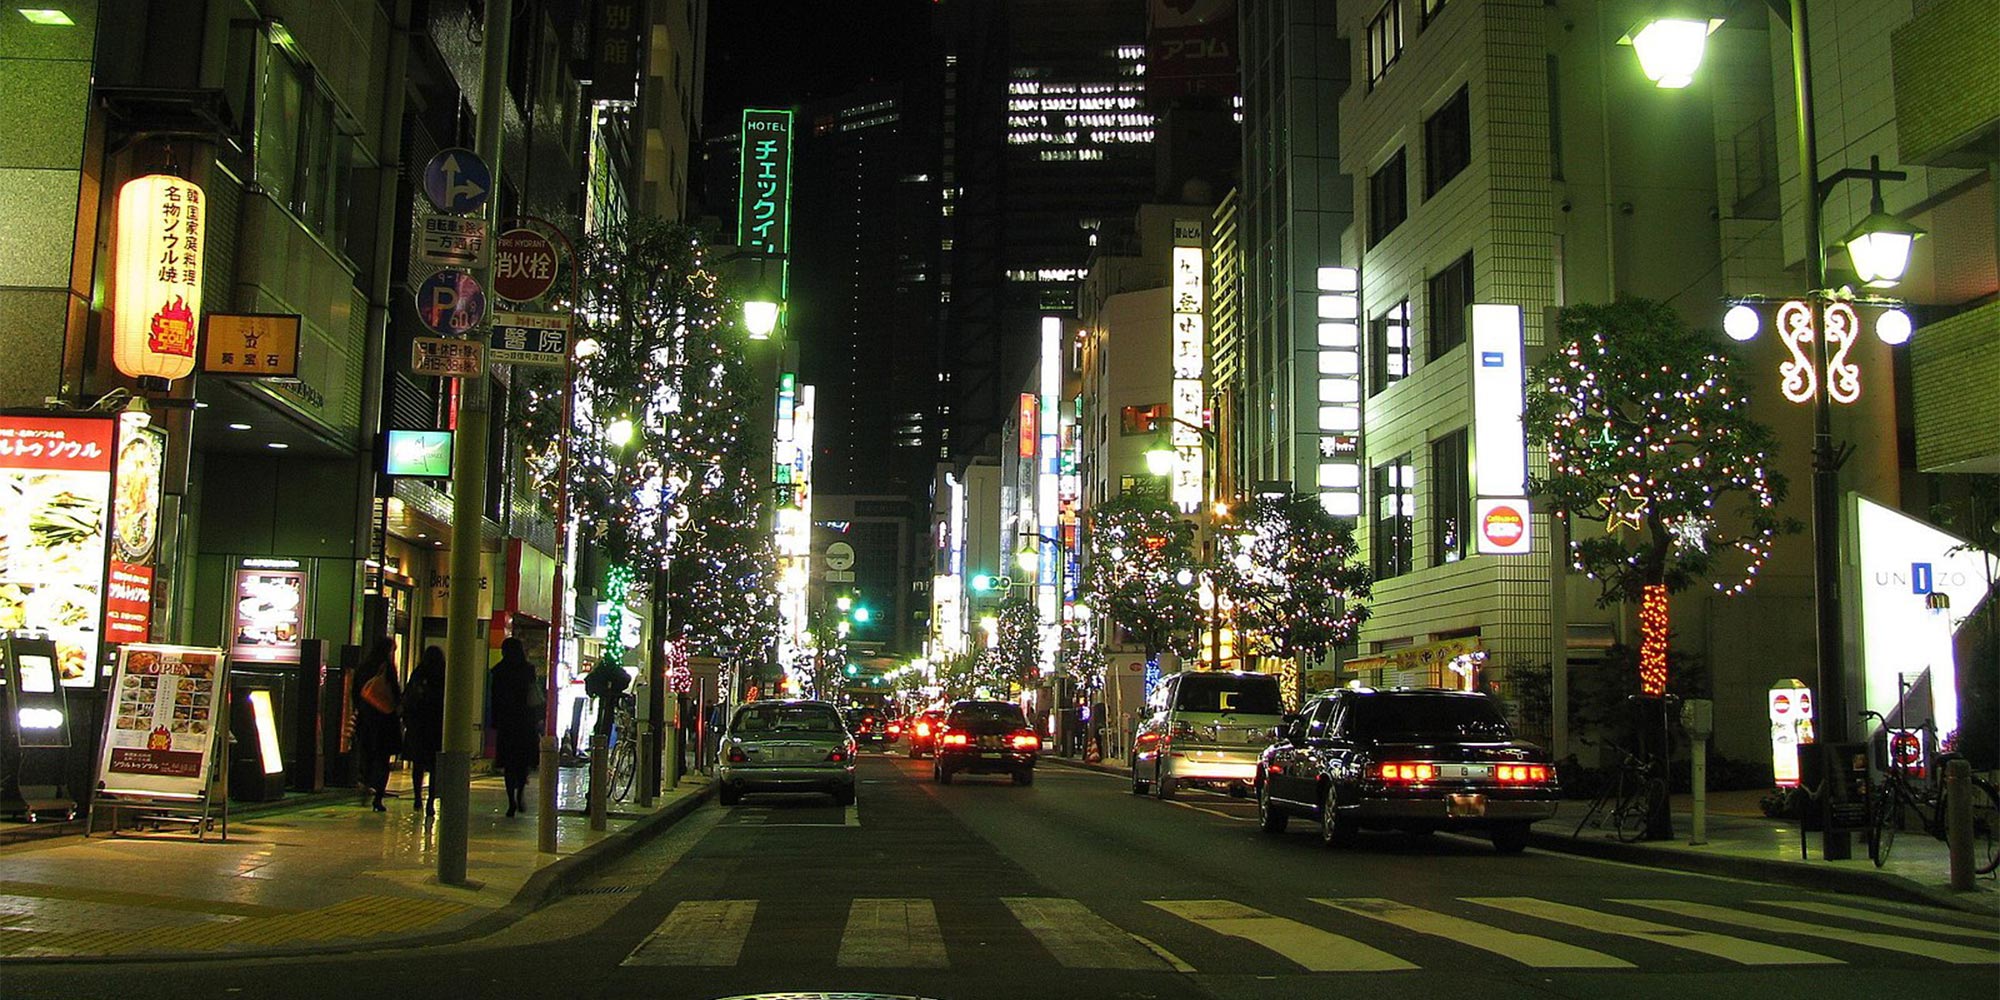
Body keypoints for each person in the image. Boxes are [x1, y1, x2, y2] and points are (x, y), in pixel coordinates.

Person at [488, 636, 540, 817]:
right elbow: (534, 695)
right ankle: (520, 794)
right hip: (525, 723)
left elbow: (493, 700)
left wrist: (494, 721)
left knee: (509, 764)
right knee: (522, 761)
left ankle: (511, 800)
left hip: (506, 723)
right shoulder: (528, 670)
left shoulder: (498, 671)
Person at [350, 638, 402, 812]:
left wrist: (361, 708)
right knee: (383, 759)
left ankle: (365, 784)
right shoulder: (387, 668)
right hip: (385, 720)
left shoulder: (363, 667)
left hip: (366, 719)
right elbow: (395, 692)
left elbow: (355, 692)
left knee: (367, 755)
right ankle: (378, 797)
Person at [401, 645, 447, 817]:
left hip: (417, 726)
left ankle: (417, 797)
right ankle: (430, 801)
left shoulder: (418, 674)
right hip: (436, 727)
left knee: (418, 765)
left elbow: (407, 697)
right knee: (435, 767)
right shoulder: (444, 675)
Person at [584, 655, 631, 740]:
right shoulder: (611, 669)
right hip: (609, 697)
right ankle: (602, 740)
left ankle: (599, 740)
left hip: (605, 696)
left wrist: (594, 692)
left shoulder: (601, 670)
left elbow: (589, 680)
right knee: (606, 720)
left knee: (603, 719)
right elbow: (626, 678)